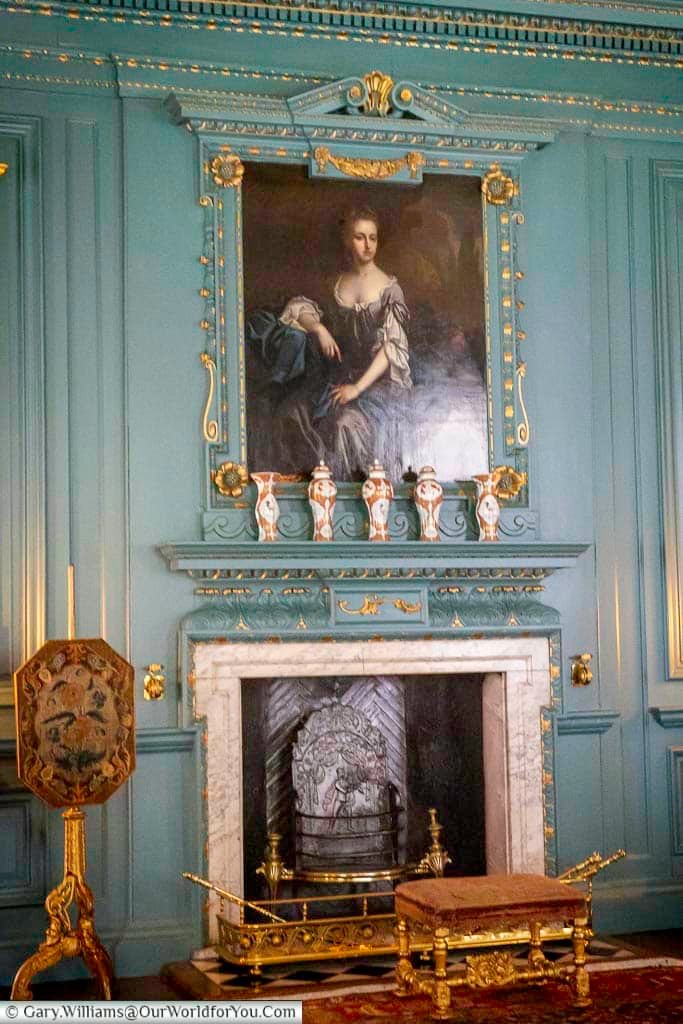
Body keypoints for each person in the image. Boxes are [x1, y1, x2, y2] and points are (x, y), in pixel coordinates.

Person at [247, 207, 413, 480]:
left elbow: (391, 348)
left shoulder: (390, 289)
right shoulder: (334, 284)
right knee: (289, 413)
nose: (368, 244)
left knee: (344, 425)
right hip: (334, 378)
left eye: (373, 237)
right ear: (348, 240)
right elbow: (300, 309)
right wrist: (319, 328)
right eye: (360, 237)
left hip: (374, 384)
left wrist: (357, 388)